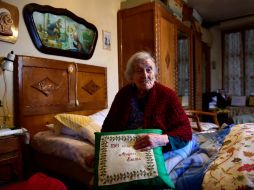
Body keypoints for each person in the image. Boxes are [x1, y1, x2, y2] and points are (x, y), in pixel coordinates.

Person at [101, 51, 192, 152]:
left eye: (149, 70)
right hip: (125, 148)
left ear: (155, 73)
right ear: (131, 75)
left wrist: (161, 139)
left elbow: (186, 132)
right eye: (139, 71)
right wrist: (101, 152)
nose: (145, 75)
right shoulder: (123, 94)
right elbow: (108, 128)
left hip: (156, 148)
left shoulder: (168, 95)